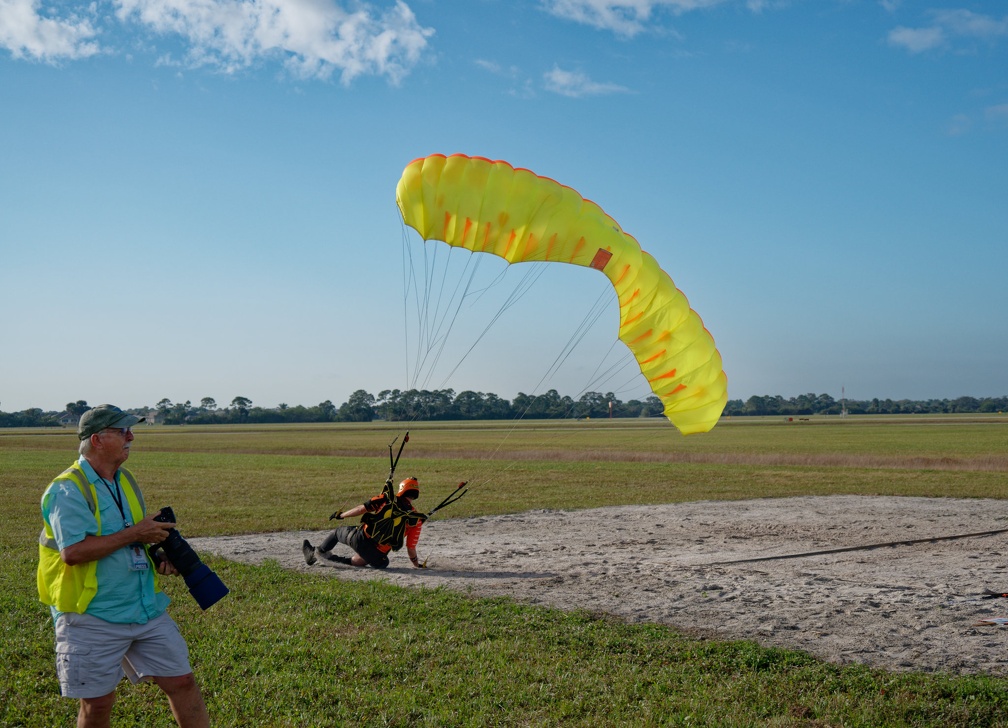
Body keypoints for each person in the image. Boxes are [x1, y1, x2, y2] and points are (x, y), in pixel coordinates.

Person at [37, 404, 210, 728]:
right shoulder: (67, 489)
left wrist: (158, 556)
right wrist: (136, 533)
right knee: (98, 703)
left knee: (183, 682)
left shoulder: (124, 480)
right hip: (91, 614)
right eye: (122, 431)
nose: (131, 437)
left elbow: (131, 540)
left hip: (143, 608)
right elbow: (72, 552)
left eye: (130, 430)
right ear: (97, 440)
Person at [303, 477, 428, 569]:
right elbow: (411, 548)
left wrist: (341, 515)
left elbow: (361, 509)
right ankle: (331, 559)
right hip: (377, 557)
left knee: (337, 533)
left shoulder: (386, 499)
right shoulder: (416, 519)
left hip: (360, 539)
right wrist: (417, 564)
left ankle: (316, 553)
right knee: (378, 561)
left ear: (401, 489)